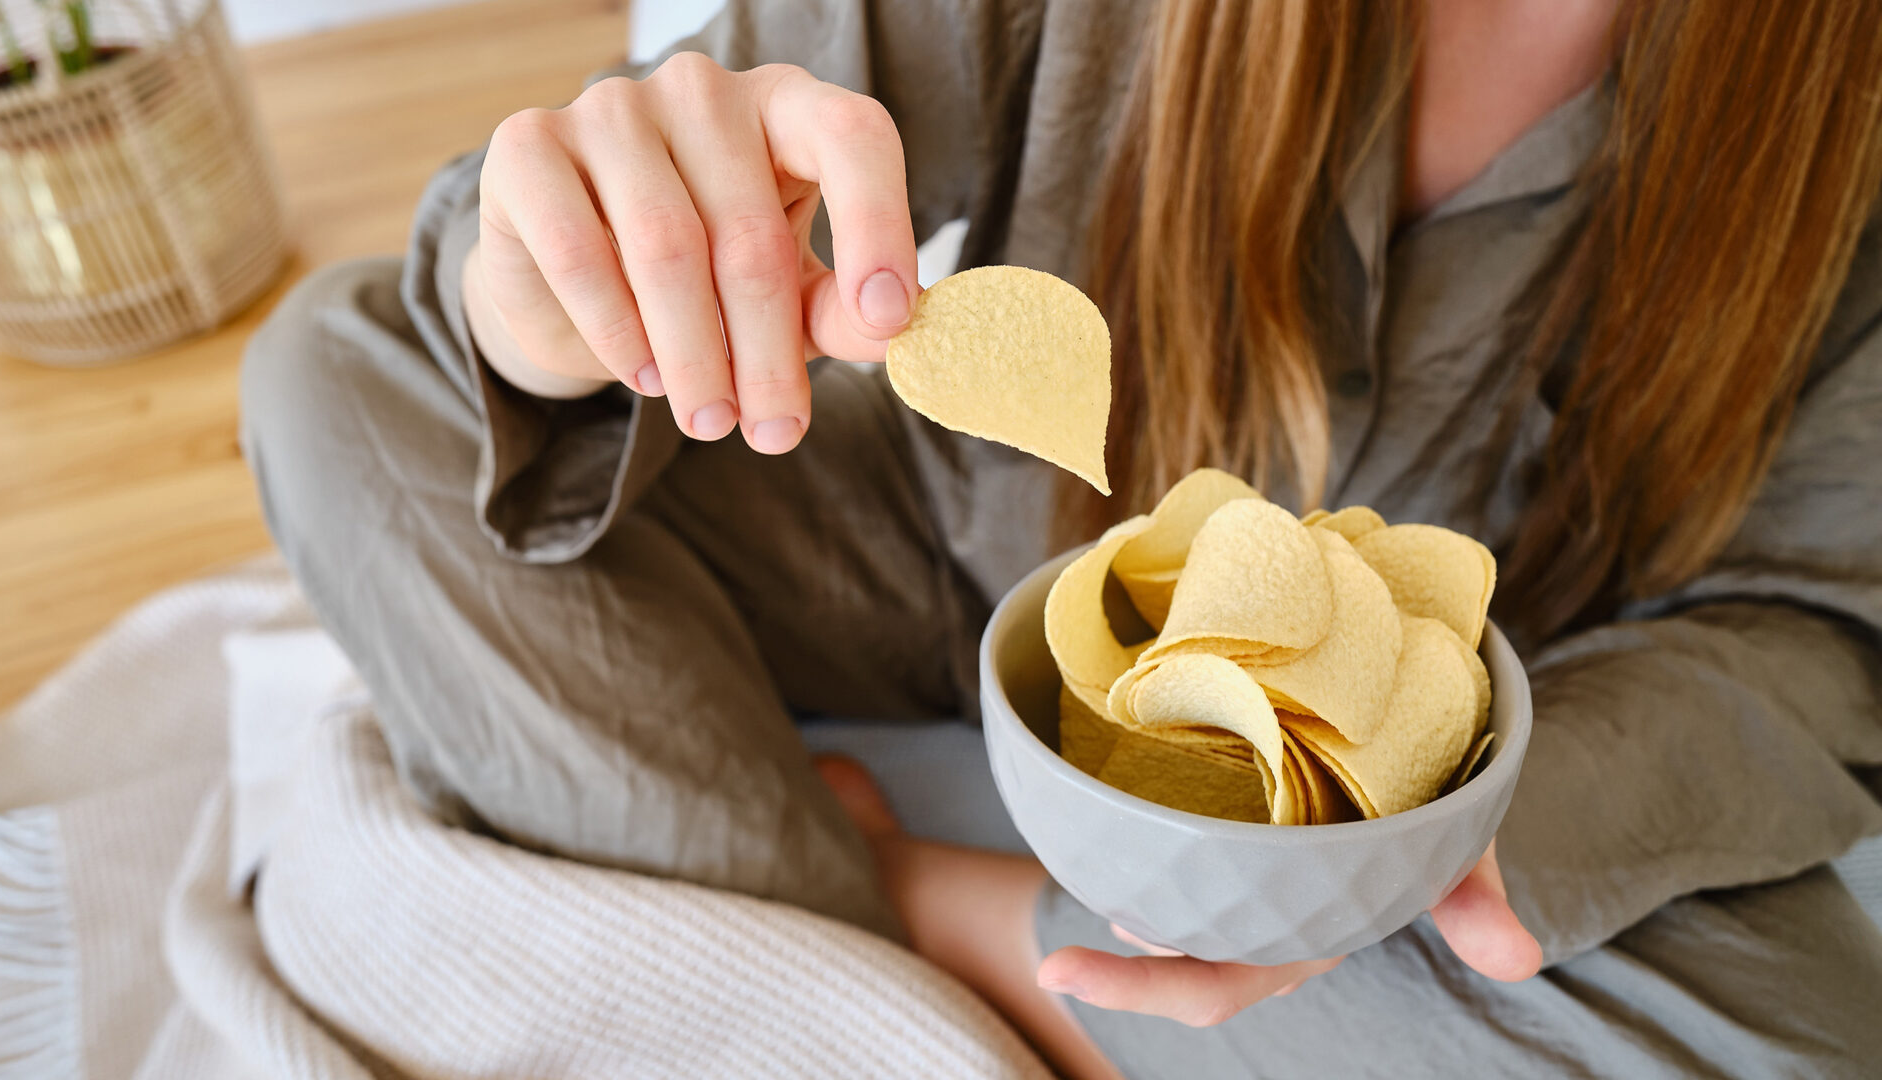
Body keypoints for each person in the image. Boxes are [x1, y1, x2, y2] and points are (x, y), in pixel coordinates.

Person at [241, 0, 1882, 1075]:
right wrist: (576, 282)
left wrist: (1460, 834)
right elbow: (727, 145)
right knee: (343, 376)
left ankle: (908, 918)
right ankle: (913, 967)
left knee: (1791, 1040)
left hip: (1416, 780)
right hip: (959, 537)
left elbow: (1815, 625)